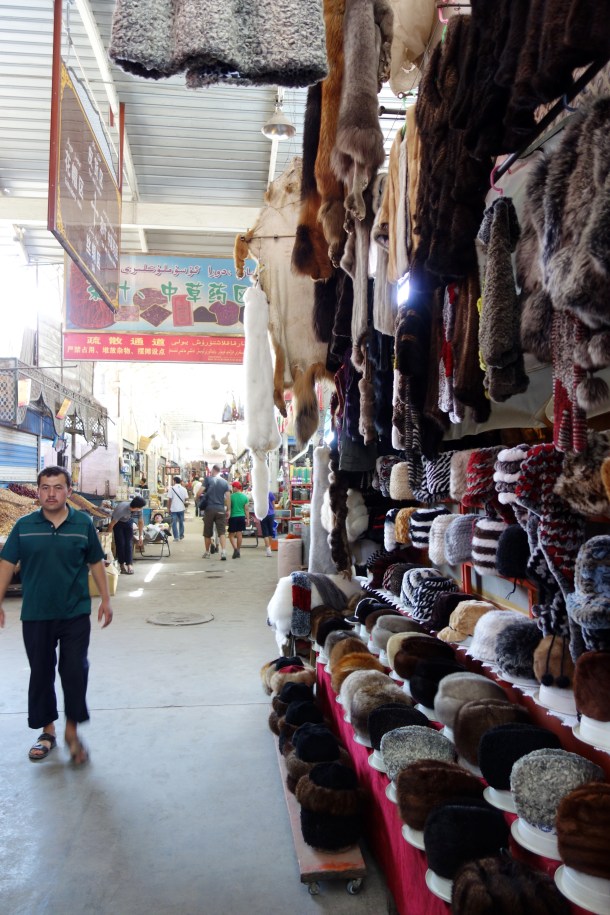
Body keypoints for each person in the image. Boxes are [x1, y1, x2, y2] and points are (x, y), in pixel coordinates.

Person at [0, 466, 113, 765]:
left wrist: (105, 599)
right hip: (36, 613)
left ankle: (72, 732)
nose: (51, 493)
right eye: (45, 487)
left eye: (58, 487)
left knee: (75, 671)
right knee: (41, 673)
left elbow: (96, 563)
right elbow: (6, 564)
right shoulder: (24, 526)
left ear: (69, 492)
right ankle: (47, 731)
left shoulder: (83, 524)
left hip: (74, 612)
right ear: (38, 492)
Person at [108, 495, 146, 573]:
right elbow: (111, 524)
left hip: (128, 521)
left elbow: (141, 522)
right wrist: (107, 537)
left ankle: (129, 564)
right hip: (117, 523)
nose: (141, 509)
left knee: (129, 543)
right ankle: (122, 564)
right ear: (136, 507)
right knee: (120, 543)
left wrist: (140, 536)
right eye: (140, 507)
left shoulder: (139, 509)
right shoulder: (121, 510)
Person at [201, 465, 230, 560]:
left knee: (207, 533)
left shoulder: (208, 479)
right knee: (222, 532)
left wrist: (198, 500)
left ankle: (207, 552)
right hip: (220, 509)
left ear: (212, 470)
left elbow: (198, 493)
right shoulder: (225, 482)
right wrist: (228, 510)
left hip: (209, 509)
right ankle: (224, 552)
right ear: (220, 471)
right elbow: (228, 498)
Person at [228, 481, 250, 559]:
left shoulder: (231, 496)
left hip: (233, 517)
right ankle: (238, 550)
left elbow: (229, 508)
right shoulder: (245, 497)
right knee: (239, 534)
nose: (232, 488)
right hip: (241, 517)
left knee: (231, 535)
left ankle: (235, 549)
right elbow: (246, 509)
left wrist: (227, 517)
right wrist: (247, 519)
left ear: (235, 488)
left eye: (233, 487)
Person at [167, 475, 188, 540]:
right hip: (181, 508)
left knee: (174, 523)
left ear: (175, 481)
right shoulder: (184, 489)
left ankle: (176, 537)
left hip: (174, 509)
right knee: (181, 522)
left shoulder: (172, 488)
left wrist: (168, 508)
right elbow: (186, 498)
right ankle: (181, 535)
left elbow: (169, 499)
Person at [261, 490, 277, 557]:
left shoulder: (260, 494)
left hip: (263, 515)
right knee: (270, 532)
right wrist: (273, 511)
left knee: (265, 533)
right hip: (271, 514)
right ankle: (270, 548)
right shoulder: (270, 493)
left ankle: (268, 550)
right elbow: (273, 504)